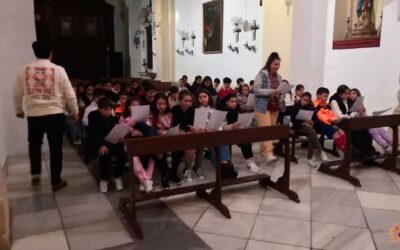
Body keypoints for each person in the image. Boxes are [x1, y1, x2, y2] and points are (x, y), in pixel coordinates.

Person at [13, 41, 78, 191]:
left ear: (35, 53)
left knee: (34, 145)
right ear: (50, 53)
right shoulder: (59, 70)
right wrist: (74, 111)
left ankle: (35, 173)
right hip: (55, 114)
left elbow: (16, 92)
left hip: (34, 115)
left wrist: (19, 110)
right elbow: (70, 94)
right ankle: (56, 181)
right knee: (56, 148)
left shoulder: (24, 69)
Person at [88, 98, 125, 193]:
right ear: (99, 109)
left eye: (109, 109)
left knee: (122, 154)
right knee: (104, 155)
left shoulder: (112, 118)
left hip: (112, 142)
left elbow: (116, 131)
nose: (108, 112)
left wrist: (121, 137)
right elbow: (92, 133)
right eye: (105, 110)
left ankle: (117, 176)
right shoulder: (93, 116)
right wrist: (100, 145)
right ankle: (104, 179)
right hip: (99, 143)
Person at [329, 85, 377, 157]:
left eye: (348, 93)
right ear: (340, 93)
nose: (348, 95)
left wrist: (355, 113)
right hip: (339, 123)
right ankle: (363, 151)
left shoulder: (343, 100)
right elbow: (338, 116)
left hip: (347, 121)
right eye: (346, 93)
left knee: (365, 130)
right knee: (357, 131)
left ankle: (369, 149)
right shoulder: (334, 101)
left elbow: (347, 112)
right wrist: (351, 115)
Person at [253, 52, 285, 162]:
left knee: (270, 129)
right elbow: (256, 90)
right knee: (267, 130)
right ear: (270, 64)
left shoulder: (279, 77)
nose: (277, 67)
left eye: (278, 65)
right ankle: (269, 152)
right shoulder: (262, 74)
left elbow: (279, 90)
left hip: (274, 106)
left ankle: (263, 151)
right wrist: (271, 91)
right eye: (275, 64)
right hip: (262, 106)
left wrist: (281, 92)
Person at [222, 94, 260, 173]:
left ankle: (250, 161)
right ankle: (228, 164)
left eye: (235, 102)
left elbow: (244, 123)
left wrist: (248, 122)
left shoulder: (239, 111)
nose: (234, 103)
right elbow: (223, 127)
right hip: (227, 134)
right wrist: (233, 126)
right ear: (226, 102)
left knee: (245, 141)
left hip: (238, 132)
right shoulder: (223, 112)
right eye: (231, 102)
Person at [349, 88, 392, 153]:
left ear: (357, 94)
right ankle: (385, 146)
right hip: (358, 124)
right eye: (350, 94)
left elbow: (363, 115)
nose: (352, 95)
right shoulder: (349, 104)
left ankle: (392, 143)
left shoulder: (359, 102)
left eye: (354, 93)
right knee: (373, 129)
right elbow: (354, 116)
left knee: (380, 128)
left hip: (365, 121)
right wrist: (359, 113)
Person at [291, 92, 328, 166]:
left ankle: (310, 159)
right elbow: (293, 120)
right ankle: (320, 151)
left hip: (308, 127)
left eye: (307, 101)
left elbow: (315, 119)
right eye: (304, 100)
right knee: (312, 131)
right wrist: (303, 123)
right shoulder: (295, 106)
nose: (305, 102)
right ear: (301, 98)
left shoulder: (310, 107)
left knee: (312, 133)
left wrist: (312, 122)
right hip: (298, 127)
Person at [171, 90, 197, 183]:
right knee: (177, 149)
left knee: (191, 149)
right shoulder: (175, 109)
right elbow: (176, 124)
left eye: (190, 101)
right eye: (186, 101)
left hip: (188, 133)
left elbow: (193, 124)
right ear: (180, 100)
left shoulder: (192, 110)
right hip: (177, 134)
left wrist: (193, 128)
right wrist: (186, 128)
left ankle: (187, 169)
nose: (188, 103)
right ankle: (173, 172)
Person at [148, 94, 173, 188]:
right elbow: (149, 128)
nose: (162, 106)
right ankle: (164, 176)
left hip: (167, 138)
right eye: (159, 104)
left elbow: (171, 127)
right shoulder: (151, 114)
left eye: (164, 104)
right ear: (155, 104)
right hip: (155, 139)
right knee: (161, 152)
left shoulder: (169, 114)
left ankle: (168, 171)